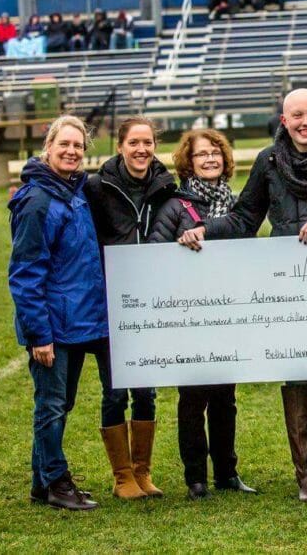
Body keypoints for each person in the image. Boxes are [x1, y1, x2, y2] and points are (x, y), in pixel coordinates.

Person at [178, 89, 307, 503]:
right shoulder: (269, 163)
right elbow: (245, 218)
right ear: (283, 120)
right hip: (286, 285)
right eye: (296, 115)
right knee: (298, 374)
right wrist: (205, 231)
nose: (305, 122)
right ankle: (305, 475)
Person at [148, 129, 257, 498]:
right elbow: (153, 255)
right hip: (188, 318)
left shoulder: (236, 203)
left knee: (226, 398)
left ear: (225, 160)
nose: (209, 159)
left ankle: (227, 472)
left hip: (228, 315)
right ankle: (196, 478)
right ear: (187, 162)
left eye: (215, 153)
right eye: (201, 155)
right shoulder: (175, 206)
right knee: (193, 399)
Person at [8, 115, 104, 510]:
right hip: (52, 326)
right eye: (64, 144)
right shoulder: (38, 200)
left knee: (59, 404)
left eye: (78, 146)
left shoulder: (73, 192)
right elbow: (26, 272)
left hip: (75, 322)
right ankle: (57, 481)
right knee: (50, 405)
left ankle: (41, 482)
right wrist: (39, 334)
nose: (71, 151)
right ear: (48, 147)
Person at [85, 117, 177, 499]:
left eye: (148, 143)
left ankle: (143, 472)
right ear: (120, 146)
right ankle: (122, 475)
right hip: (111, 300)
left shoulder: (166, 186)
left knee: (146, 392)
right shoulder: (97, 187)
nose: (141, 150)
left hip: (151, 303)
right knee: (113, 390)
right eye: (134, 142)